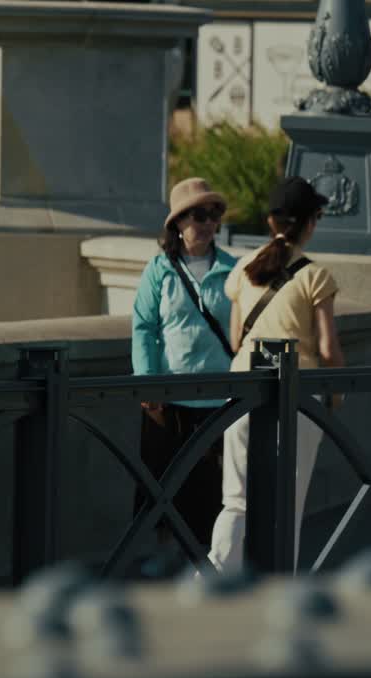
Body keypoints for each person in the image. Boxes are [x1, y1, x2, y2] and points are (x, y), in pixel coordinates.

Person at [208, 177, 345, 573]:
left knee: (236, 499)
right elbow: (327, 349)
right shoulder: (315, 276)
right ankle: (279, 585)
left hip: (243, 391)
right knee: (289, 500)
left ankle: (217, 575)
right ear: (310, 223)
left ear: (270, 222)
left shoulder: (244, 269)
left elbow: (236, 339)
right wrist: (337, 394)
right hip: (297, 396)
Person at [131, 178, 237, 565]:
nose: (207, 223)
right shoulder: (159, 270)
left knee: (212, 486)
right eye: (198, 215)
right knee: (161, 480)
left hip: (219, 395)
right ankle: (161, 552)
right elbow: (143, 326)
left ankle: (206, 558)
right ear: (177, 223)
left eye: (213, 214)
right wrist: (147, 382)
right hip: (169, 396)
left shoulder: (233, 270)